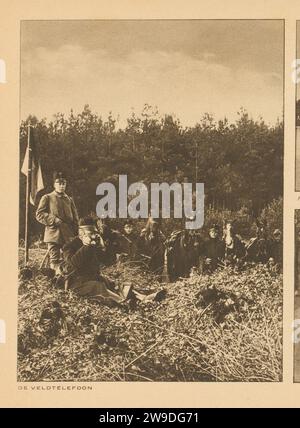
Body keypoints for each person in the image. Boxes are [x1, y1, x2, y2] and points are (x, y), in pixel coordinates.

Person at [61, 216, 165, 305]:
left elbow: (108, 262)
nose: (93, 236)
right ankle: (123, 303)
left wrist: (105, 247)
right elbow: (72, 264)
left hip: (93, 278)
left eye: (94, 232)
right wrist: (86, 246)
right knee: (98, 287)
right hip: (77, 284)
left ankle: (143, 297)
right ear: (81, 233)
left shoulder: (93, 244)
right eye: (90, 233)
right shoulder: (69, 246)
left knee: (114, 284)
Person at [36, 171, 79, 273]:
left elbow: (75, 217)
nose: (61, 185)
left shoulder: (69, 199)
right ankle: (53, 281)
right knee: (54, 261)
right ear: (54, 184)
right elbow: (39, 214)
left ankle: (67, 281)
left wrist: (76, 231)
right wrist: (54, 220)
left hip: (68, 235)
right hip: (53, 234)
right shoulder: (47, 197)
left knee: (69, 260)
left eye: (63, 183)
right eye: (59, 183)